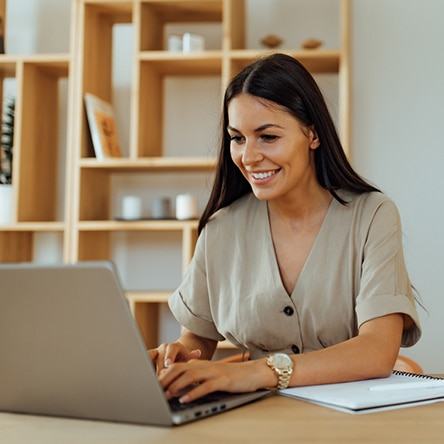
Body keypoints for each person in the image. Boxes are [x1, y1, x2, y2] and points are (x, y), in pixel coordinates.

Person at [150, 53, 421, 404]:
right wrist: (177, 359)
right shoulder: (221, 229)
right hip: (255, 415)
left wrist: (260, 372)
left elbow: (377, 350)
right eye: (237, 138)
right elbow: (197, 340)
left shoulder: (372, 216)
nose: (248, 157)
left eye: (267, 136)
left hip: (351, 421)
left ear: (312, 133)